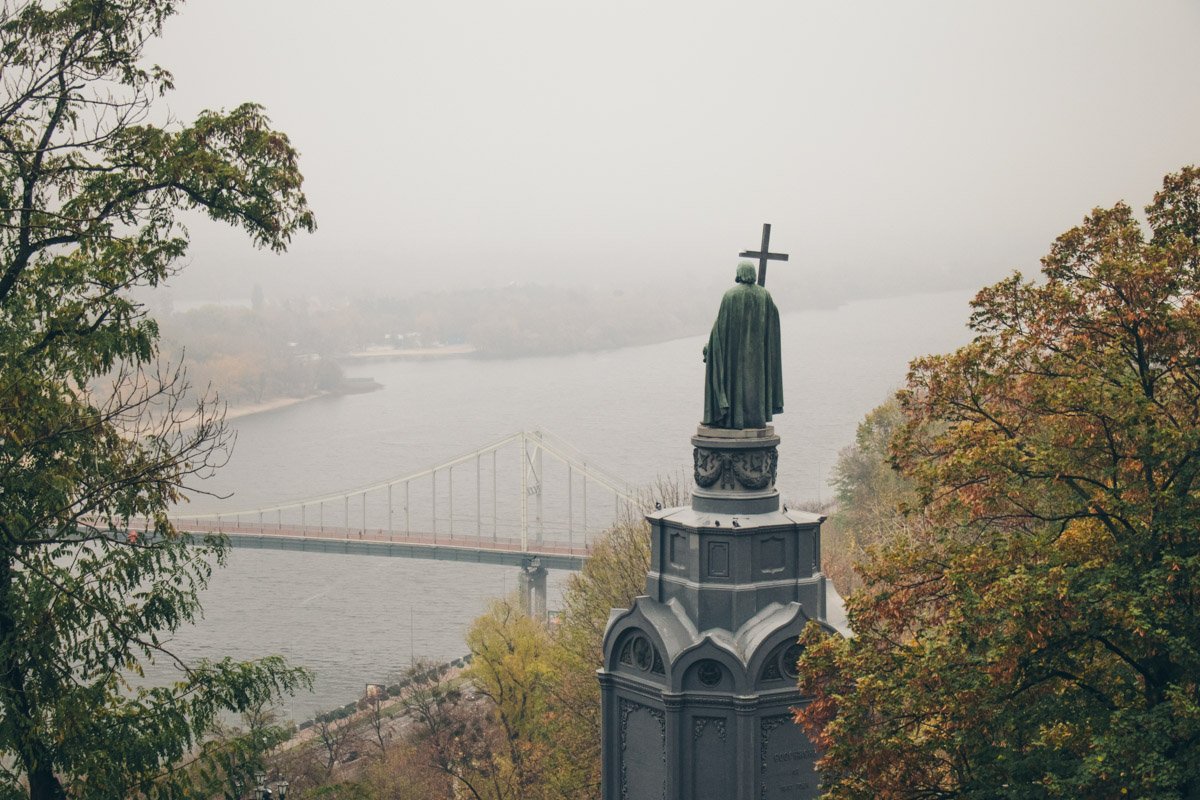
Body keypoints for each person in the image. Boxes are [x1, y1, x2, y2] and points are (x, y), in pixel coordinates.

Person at [702, 262, 784, 429]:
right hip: (757, 359)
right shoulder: (765, 296)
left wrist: (710, 348)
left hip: (735, 358)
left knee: (735, 383)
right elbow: (773, 321)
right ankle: (755, 418)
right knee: (754, 386)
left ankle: (732, 418)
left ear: (739, 273)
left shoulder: (730, 296)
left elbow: (720, 330)